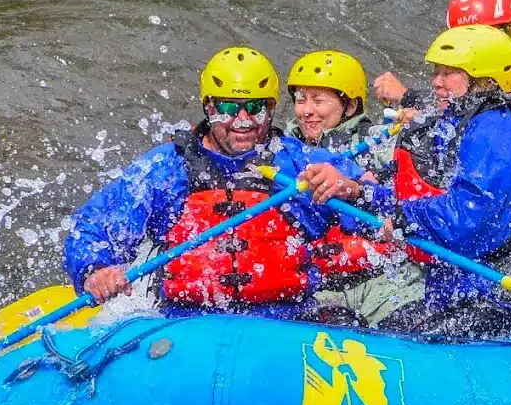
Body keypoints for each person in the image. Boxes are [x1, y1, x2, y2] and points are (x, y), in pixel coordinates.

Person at [304, 25, 511, 339]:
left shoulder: (498, 130)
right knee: (386, 330)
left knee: (417, 342)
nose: (436, 82)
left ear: (484, 79)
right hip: (461, 280)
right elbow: (416, 198)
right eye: (436, 72)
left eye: (448, 73)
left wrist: (406, 218)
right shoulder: (454, 125)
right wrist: (359, 194)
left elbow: (467, 215)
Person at [64, 47, 360, 319]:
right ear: (208, 107)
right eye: (229, 109)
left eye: (255, 108)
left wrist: (354, 190)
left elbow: (390, 214)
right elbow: (93, 226)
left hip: (285, 322)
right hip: (189, 323)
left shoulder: (301, 163)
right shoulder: (167, 168)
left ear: (270, 109)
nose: (243, 121)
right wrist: (96, 270)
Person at [284, 49, 425, 328]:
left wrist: (358, 187)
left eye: (318, 100)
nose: (306, 110)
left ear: (348, 107)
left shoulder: (382, 144)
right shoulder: (283, 152)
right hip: (321, 286)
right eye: (301, 99)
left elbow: (410, 204)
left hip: (386, 280)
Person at [372, 0, 511, 108]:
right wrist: (407, 97)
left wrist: (405, 97)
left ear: (510, 30)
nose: (469, 48)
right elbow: (455, 104)